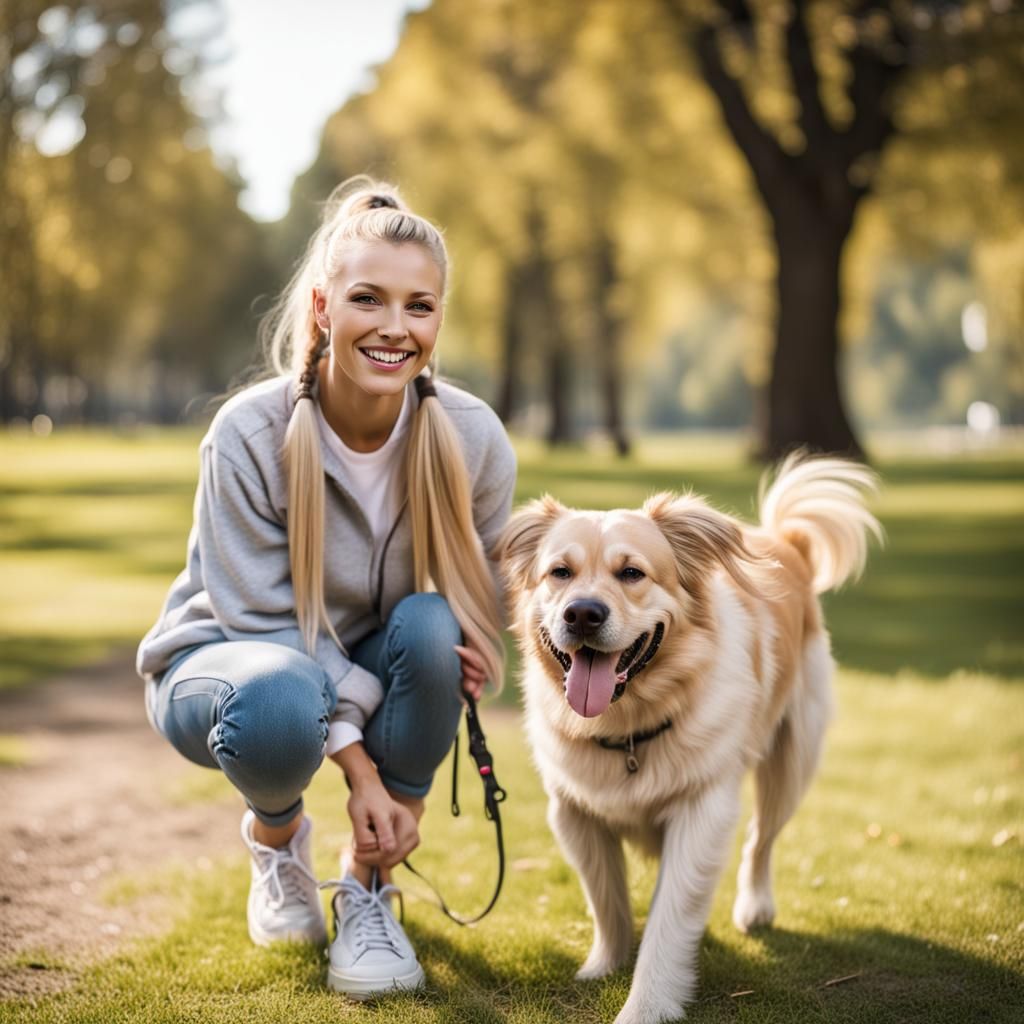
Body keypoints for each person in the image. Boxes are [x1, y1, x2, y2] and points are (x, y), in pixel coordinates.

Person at [136, 178, 516, 998]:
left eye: (420, 306)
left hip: (361, 665)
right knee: (282, 700)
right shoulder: (247, 433)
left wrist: (480, 652)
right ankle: (277, 838)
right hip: (233, 666)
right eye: (368, 299)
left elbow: (489, 588)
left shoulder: (473, 435)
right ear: (321, 306)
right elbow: (267, 626)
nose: (394, 327)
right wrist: (364, 776)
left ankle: (371, 882)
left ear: (439, 318)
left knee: (432, 628)